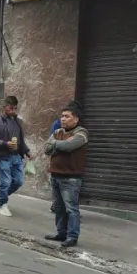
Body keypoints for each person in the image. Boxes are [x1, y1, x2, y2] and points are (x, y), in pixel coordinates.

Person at [44, 104, 89, 247]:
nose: (63, 119)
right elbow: (46, 148)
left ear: (75, 119)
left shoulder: (81, 133)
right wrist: (61, 144)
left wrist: (56, 145)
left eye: (67, 116)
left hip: (71, 177)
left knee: (71, 209)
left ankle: (72, 236)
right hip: (56, 175)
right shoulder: (57, 132)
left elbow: (70, 146)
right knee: (59, 208)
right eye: (62, 116)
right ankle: (61, 233)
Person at [0, 95, 32, 217]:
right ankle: (2, 205)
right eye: (11, 108)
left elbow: (21, 140)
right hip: (3, 156)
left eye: (15, 108)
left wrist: (27, 151)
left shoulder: (17, 121)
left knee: (19, 181)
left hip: (16, 156)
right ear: (5, 107)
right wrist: (5, 144)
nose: (13, 111)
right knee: (5, 182)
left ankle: (1, 193)